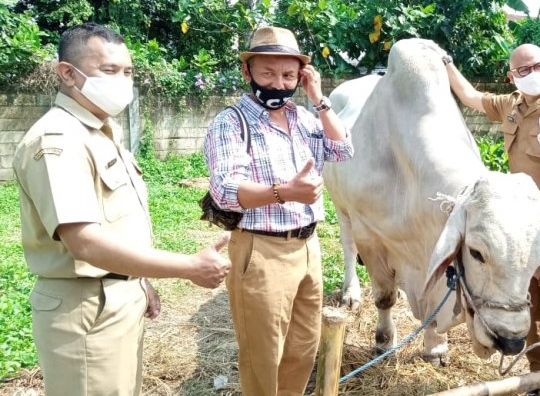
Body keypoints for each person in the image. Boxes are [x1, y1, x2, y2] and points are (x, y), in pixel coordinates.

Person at [12, 22, 232, 396]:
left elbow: (117, 222)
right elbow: (85, 243)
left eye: (127, 72)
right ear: (67, 73)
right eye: (109, 71)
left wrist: (139, 280)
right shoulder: (59, 140)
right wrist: (189, 268)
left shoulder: (100, 131)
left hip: (115, 298)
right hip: (86, 309)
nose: (122, 81)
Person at [204, 25, 353, 395]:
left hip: (307, 248)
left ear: (300, 76)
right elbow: (225, 192)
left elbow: (342, 150)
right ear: (247, 72)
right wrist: (286, 192)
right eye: (268, 73)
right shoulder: (231, 123)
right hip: (260, 251)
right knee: (263, 356)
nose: (278, 83)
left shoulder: (304, 119)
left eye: (288, 75)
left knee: (303, 348)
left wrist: (318, 98)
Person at [445, 44, 540, 395]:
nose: (531, 74)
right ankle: (537, 371)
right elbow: (469, 96)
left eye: (537, 66)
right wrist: (447, 61)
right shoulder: (511, 104)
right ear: (511, 75)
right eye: (522, 70)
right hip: (519, 225)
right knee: (529, 295)